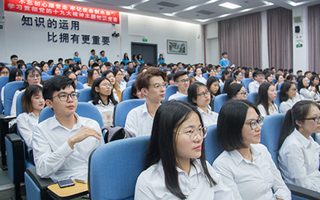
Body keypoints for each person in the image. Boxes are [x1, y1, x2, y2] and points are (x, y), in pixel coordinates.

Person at [135, 100, 235, 199]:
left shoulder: (204, 167)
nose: (199, 138)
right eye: (190, 131)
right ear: (167, 136)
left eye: (200, 129)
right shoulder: (148, 183)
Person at [213, 100, 291, 199]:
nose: (258, 127)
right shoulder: (222, 165)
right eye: (252, 123)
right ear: (234, 127)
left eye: (258, 121)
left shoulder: (262, 150)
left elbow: (282, 188)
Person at [32, 76, 104, 182]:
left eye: (73, 95)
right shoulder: (41, 130)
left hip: (97, 181)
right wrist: (70, 143)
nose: (70, 100)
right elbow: (43, 170)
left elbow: (102, 160)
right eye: (63, 96)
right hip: (69, 186)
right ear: (49, 103)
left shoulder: (92, 124)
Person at [278, 101, 320, 192]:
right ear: (299, 122)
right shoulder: (293, 146)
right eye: (315, 118)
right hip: (308, 193)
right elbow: (302, 185)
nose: (319, 121)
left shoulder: (309, 140)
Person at [125, 68, 166, 137]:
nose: (163, 89)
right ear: (144, 91)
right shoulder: (134, 115)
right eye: (157, 86)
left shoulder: (170, 113)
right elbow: (132, 144)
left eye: (163, 85)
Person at [17, 85, 44, 153]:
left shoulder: (49, 114)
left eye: (43, 97)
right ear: (29, 100)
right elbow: (30, 143)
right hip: (36, 151)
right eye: (37, 98)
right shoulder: (23, 118)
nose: (41, 101)